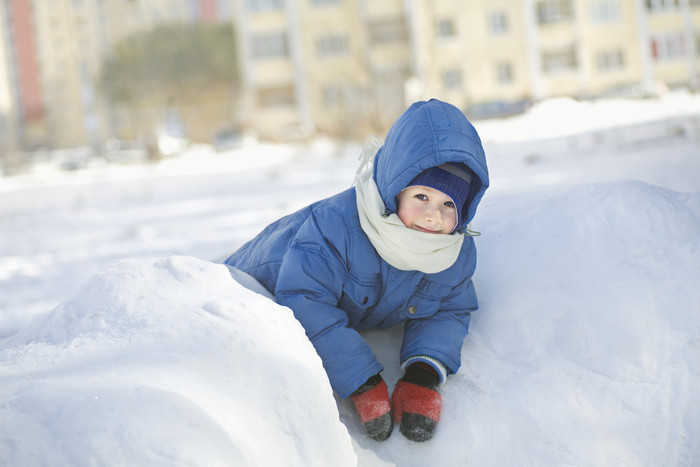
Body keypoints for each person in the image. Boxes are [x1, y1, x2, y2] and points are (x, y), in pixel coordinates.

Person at [223, 99, 489, 442]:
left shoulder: (453, 253)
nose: (432, 216)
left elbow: (450, 308)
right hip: (261, 276)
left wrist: (423, 374)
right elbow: (305, 299)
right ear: (395, 191)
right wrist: (362, 381)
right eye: (421, 196)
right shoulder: (337, 229)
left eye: (449, 205)